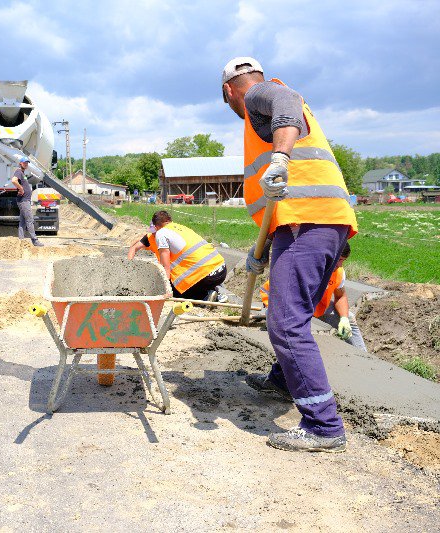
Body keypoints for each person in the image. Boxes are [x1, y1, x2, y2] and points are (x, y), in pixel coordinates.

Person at [222, 56, 358, 452]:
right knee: (292, 314)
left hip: (309, 222)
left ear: (229, 90)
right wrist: (260, 250)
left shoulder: (261, 94)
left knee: (284, 321)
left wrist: (280, 158)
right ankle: (284, 381)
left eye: (228, 101)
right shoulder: (262, 108)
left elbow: (287, 100)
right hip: (308, 222)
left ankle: (322, 425)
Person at [260, 243, 367, 351]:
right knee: (284, 329)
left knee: (349, 318)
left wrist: (344, 318)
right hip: (282, 301)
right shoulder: (305, 266)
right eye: (338, 259)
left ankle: (364, 357)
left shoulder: (338, 272)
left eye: (343, 260)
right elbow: (291, 299)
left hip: (315, 304)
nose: (339, 265)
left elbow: (340, 296)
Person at [127, 210, 226, 301]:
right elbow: (136, 245)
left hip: (206, 276)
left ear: (156, 227)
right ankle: (214, 290)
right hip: (220, 269)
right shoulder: (181, 228)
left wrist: (164, 290)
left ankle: (205, 296)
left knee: (176, 291)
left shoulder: (161, 233)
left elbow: (165, 267)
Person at [11, 156, 43, 247]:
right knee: (29, 220)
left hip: (25, 200)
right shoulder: (18, 171)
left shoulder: (22, 173)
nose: (26, 164)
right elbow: (13, 180)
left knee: (23, 221)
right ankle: (35, 240)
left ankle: (21, 240)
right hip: (24, 201)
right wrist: (21, 189)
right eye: (24, 162)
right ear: (20, 163)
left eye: (27, 163)